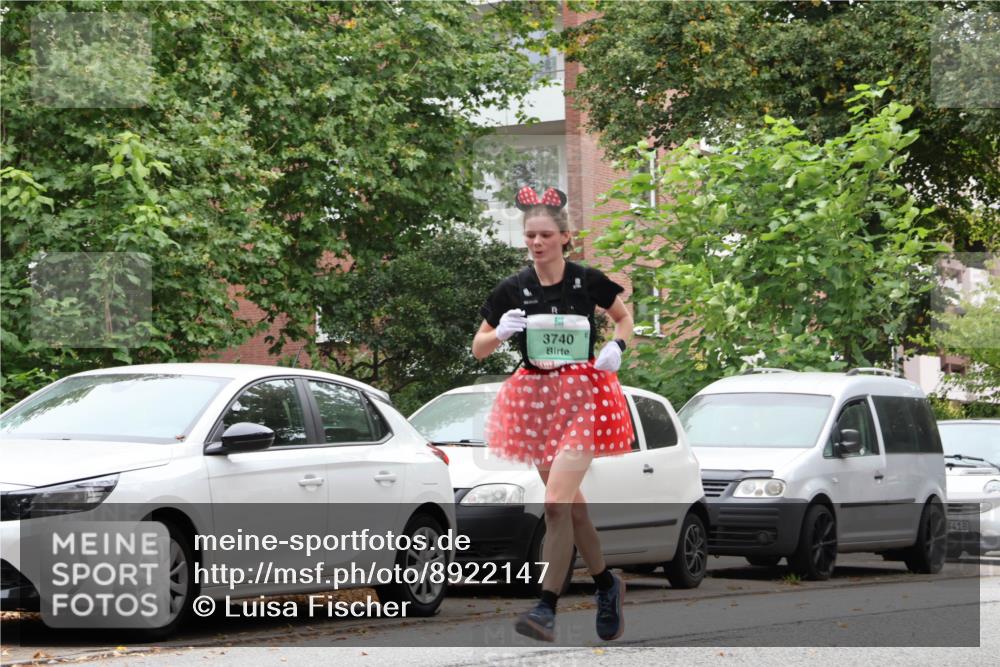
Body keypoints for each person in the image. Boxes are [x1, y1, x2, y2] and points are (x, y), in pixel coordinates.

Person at [472, 185, 635, 642]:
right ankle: (607, 585)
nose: (537, 243)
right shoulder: (513, 288)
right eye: (530, 236)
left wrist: (617, 346)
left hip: (585, 397)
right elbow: (478, 347)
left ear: (565, 237)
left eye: (545, 235)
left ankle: (545, 607)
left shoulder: (587, 280)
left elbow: (624, 318)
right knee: (574, 510)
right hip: (535, 402)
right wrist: (500, 333)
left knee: (555, 503)